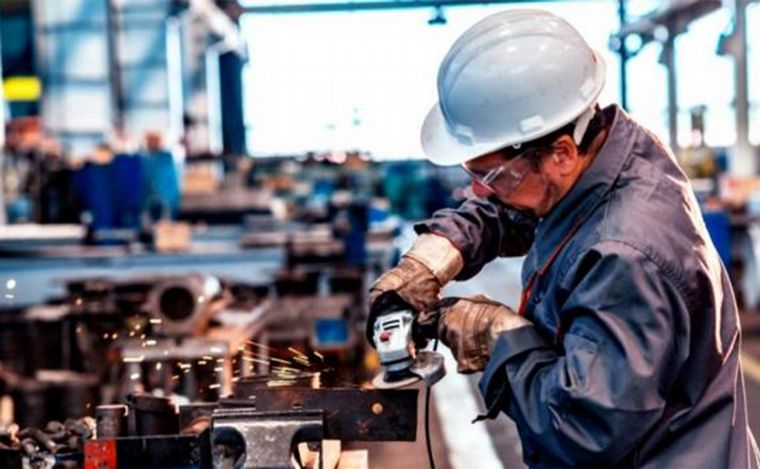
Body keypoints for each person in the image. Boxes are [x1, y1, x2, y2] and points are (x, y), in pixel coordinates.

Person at [368, 10, 760, 468]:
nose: (478, 191)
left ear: (561, 153)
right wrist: (435, 256)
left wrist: (498, 338)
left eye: (488, 175)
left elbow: (580, 428)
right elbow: (513, 206)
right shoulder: (608, 153)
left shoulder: (626, 257)